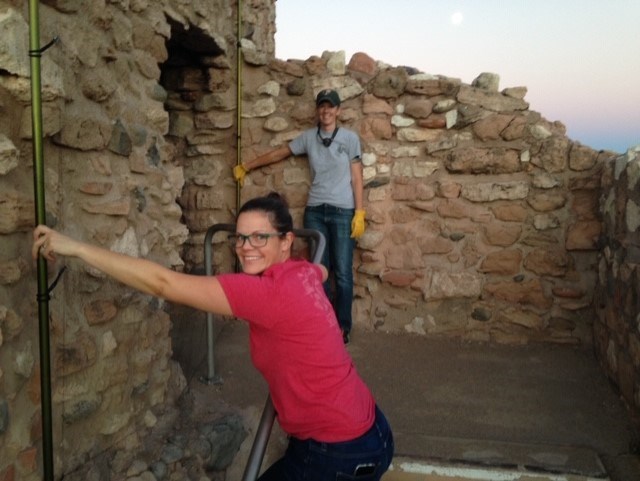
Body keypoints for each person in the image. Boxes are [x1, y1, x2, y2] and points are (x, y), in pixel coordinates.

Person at [32, 192, 393, 481]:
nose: (245, 246)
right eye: (240, 237)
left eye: (259, 237)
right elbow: (322, 267)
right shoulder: (300, 271)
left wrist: (76, 248)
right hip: (370, 429)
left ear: (286, 241)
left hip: (338, 452)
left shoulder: (264, 294)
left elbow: (163, 283)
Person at [234, 89, 365, 344]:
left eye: (331, 107)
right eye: (322, 107)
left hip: (342, 211)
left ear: (338, 111)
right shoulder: (309, 138)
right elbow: (281, 152)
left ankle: (343, 327)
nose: (326, 111)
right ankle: (323, 321)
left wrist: (359, 212)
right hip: (315, 210)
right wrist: (247, 166)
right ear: (318, 110)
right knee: (319, 269)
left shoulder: (349, 139)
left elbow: (357, 177)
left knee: (343, 273)